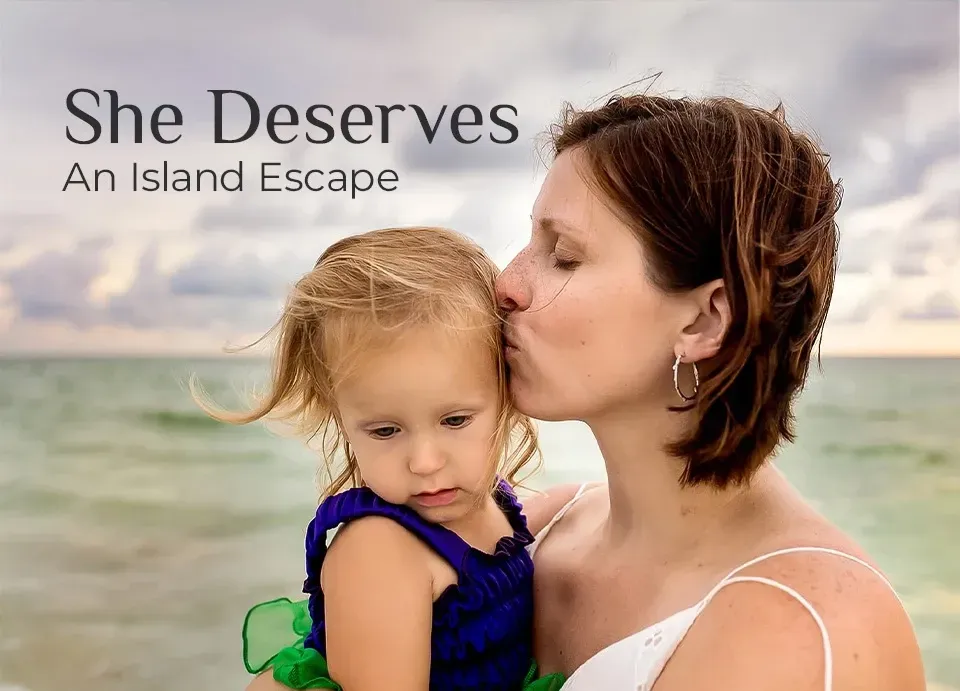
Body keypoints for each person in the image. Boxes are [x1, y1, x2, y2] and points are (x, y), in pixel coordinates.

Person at [496, 91, 928, 690]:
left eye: (564, 256)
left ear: (705, 320)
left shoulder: (803, 627)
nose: (506, 282)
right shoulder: (538, 529)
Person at [194, 227, 564, 691]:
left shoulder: (496, 502)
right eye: (385, 431)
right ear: (339, 414)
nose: (424, 462)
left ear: (505, 391)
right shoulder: (380, 551)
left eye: (454, 420)